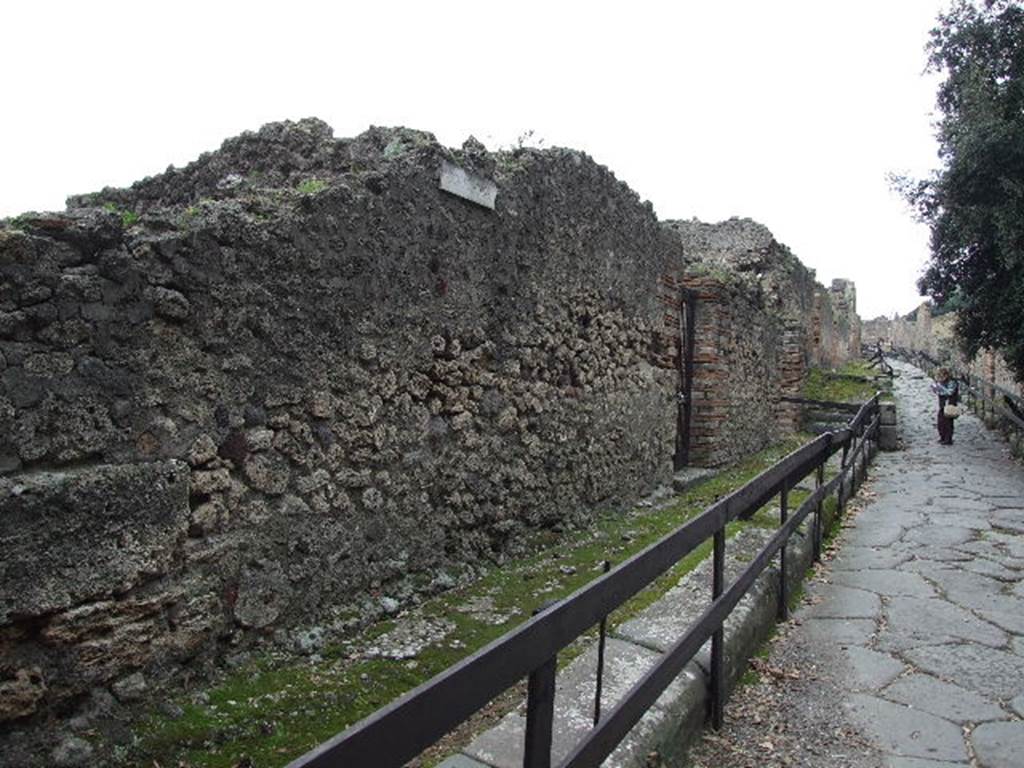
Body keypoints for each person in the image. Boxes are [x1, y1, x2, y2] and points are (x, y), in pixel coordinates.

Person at [931, 367, 960, 445]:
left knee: (948, 423)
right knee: (940, 422)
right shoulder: (942, 382)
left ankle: (948, 439)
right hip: (943, 405)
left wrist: (940, 388)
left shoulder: (952, 382)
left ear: (946, 375)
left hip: (950, 405)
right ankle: (942, 437)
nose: (939, 378)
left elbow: (949, 392)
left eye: (940, 376)